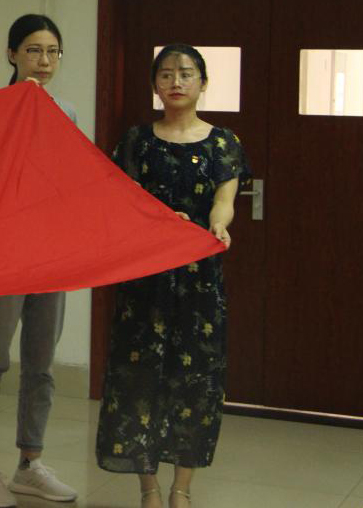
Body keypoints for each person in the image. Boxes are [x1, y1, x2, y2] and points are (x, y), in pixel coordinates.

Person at [96, 44, 249, 508]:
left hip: (200, 281)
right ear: (155, 85)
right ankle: (148, 489)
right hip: (145, 278)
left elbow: (224, 200)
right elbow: (122, 202)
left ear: (203, 82)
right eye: (165, 74)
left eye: (185, 73)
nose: (176, 82)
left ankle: (182, 489)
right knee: (139, 380)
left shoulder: (223, 143)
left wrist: (218, 225)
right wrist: (158, 223)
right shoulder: (137, 141)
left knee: (195, 381)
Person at [0, 14, 79, 507]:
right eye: (34, 50)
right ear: (11, 54)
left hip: (49, 253)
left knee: (41, 362)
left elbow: (70, 180)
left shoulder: (66, 112)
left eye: (52, 51)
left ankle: (30, 462)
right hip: (1, 255)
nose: (44, 61)